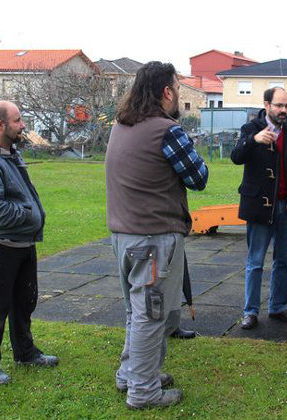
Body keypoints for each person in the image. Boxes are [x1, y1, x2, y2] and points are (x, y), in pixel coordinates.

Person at [105, 62, 208, 409]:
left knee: (138, 312)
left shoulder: (121, 126)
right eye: (177, 87)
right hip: (153, 239)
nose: (179, 93)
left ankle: (132, 373)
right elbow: (199, 177)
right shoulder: (167, 131)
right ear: (167, 92)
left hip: (123, 235)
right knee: (152, 315)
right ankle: (144, 391)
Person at [0, 100, 58, 385]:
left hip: (21, 244)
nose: (23, 125)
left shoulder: (9, 154)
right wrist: (29, 214)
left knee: (24, 302)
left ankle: (26, 353)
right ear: (0, 125)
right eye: (18, 120)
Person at [230, 87, 287, 330]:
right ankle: (250, 311)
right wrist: (254, 140)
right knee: (256, 261)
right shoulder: (251, 128)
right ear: (267, 104)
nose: (283, 110)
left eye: (286, 106)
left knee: (283, 259)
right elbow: (236, 156)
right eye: (279, 105)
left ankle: (278, 306)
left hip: (286, 205)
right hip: (259, 205)